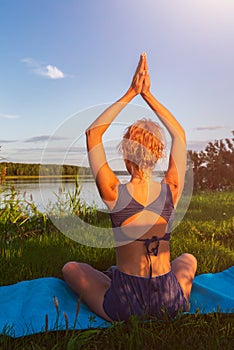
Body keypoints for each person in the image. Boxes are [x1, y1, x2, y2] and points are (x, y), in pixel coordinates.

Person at [62, 53, 197, 322]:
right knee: (188, 260)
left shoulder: (114, 192)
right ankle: (173, 296)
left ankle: (114, 275)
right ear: (158, 154)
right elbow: (179, 135)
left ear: (125, 153)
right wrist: (148, 95)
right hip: (168, 300)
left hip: (124, 304)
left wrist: (131, 92)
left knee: (71, 268)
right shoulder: (171, 188)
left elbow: (93, 134)